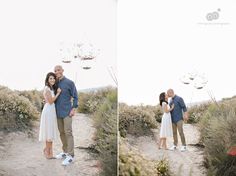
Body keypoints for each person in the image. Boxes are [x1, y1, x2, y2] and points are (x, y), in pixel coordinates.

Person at [54, 65, 78, 166]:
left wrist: (73, 108)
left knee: (68, 132)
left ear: (62, 70)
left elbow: (75, 96)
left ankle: (71, 156)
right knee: (61, 133)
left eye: (58, 70)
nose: (57, 72)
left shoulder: (69, 82)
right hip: (57, 112)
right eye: (55, 71)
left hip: (67, 112)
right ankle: (65, 152)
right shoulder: (54, 83)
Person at [39, 72, 61, 159]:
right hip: (48, 111)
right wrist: (58, 93)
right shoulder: (47, 88)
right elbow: (51, 101)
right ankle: (48, 153)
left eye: (53, 78)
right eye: (50, 78)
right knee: (49, 132)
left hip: (51, 111)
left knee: (50, 132)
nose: (52, 80)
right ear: (47, 80)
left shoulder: (51, 88)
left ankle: (48, 151)